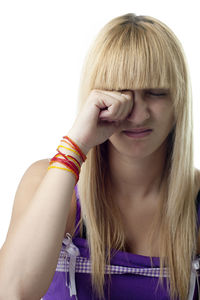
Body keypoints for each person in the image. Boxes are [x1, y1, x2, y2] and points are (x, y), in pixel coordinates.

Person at [0, 12, 200, 300]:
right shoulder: (50, 183)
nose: (138, 114)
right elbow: (10, 291)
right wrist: (76, 145)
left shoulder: (196, 201)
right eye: (121, 93)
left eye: (156, 93)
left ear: (179, 101)